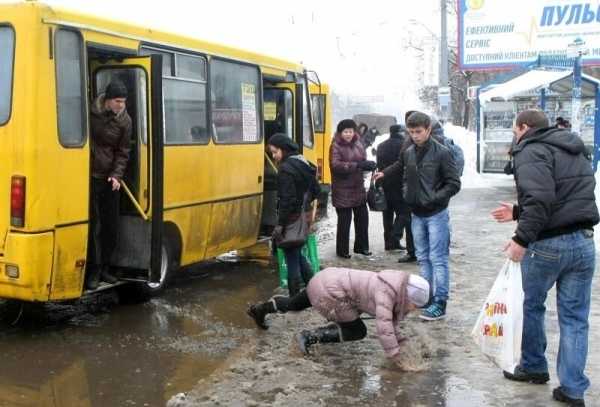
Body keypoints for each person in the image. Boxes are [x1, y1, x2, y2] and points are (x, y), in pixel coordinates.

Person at [491, 109, 598, 407]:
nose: (515, 135)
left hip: (548, 244)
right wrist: (517, 212)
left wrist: (520, 238)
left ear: (524, 127)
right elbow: (563, 197)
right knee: (575, 318)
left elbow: (540, 199)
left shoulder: (530, 149)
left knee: (530, 306)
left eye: (515, 130)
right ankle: (573, 389)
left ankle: (534, 366)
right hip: (585, 242)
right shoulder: (573, 146)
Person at [374, 112, 461, 321]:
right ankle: (427, 297)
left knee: (438, 259)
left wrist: (435, 198)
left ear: (428, 129)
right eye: (411, 132)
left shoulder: (442, 153)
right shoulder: (410, 151)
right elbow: (401, 166)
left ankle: (440, 301)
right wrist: (385, 174)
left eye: (418, 131)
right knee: (422, 258)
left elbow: (454, 183)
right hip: (416, 212)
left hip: (436, 213)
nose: (415, 136)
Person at [247, 267, 429, 363]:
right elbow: (384, 327)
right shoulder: (386, 294)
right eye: (415, 305)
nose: (413, 309)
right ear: (408, 296)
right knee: (357, 330)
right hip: (330, 293)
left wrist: (401, 342)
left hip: (324, 278)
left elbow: (391, 323)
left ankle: (260, 309)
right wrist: (396, 355)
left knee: (293, 304)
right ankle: (308, 337)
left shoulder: (392, 283)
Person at [86, 81, 132, 290]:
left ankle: (105, 267)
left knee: (110, 226)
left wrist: (116, 175)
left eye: (123, 101)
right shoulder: (90, 112)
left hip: (110, 179)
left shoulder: (125, 121)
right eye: (118, 101)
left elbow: (123, 152)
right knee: (94, 227)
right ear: (107, 100)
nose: (121, 105)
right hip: (90, 176)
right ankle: (93, 272)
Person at [268, 133, 321, 296]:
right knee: (297, 254)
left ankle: (294, 298)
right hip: (303, 216)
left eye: (275, 152)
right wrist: (304, 205)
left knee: (292, 258)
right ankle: (316, 290)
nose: (274, 156)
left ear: (283, 149)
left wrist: (280, 225)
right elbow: (316, 190)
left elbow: (287, 200)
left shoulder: (285, 169)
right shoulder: (303, 162)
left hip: (291, 219)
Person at [330, 119, 376, 258]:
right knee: (345, 222)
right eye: (345, 131)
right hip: (342, 189)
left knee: (363, 219)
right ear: (340, 132)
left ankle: (362, 247)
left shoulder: (359, 144)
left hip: (358, 188)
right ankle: (342, 251)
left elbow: (362, 161)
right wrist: (357, 165)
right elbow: (335, 165)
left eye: (350, 131)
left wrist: (368, 165)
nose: (348, 134)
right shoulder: (335, 146)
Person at [376, 124, 415, 262]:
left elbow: (379, 164)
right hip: (399, 184)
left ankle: (389, 242)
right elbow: (402, 165)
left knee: (387, 213)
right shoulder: (405, 145)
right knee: (403, 212)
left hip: (384, 182)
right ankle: (395, 237)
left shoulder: (381, 146)